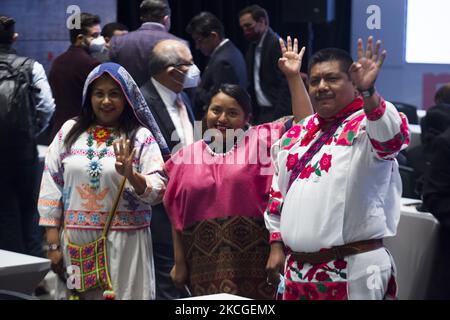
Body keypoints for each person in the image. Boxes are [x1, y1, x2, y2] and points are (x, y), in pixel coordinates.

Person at [164, 37, 312, 299]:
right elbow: (176, 213)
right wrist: (179, 261)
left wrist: (293, 77)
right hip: (201, 266)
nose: (222, 119)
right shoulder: (185, 156)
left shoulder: (264, 139)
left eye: (232, 113)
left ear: (247, 119)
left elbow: (305, 125)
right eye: (216, 110)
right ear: (205, 113)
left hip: (258, 263)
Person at [264, 37, 410, 300]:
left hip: (353, 269)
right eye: (315, 81)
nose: (321, 87)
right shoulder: (298, 133)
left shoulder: (367, 124)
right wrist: (276, 242)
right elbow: (278, 190)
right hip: (296, 270)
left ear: (354, 82)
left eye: (332, 79)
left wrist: (370, 93)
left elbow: (392, 140)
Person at [38, 63, 170, 300]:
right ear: (89, 96)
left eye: (114, 94)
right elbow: (51, 182)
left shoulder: (140, 137)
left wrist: (132, 175)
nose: (106, 101)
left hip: (125, 243)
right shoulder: (69, 132)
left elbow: (159, 190)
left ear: (127, 98)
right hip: (75, 243)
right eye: (99, 93)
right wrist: (52, 244)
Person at [140, 39, 195, 299]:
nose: (195, 69)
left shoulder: (182, 96)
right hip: (159, 207)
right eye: (189, 64)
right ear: (172, 71)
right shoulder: (142, 104)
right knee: (167, 279)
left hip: (188, 204)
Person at [0, 15, 55, 257]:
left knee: (5, 213)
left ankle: (11, 283)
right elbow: (47, 106)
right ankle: (37, 277)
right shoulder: (30, 65)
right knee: (31, 211)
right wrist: (32, 131)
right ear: (14, 36)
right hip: (24, 150)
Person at [48, 12, 101, 141]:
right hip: (81, 132)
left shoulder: (57, 62)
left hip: (58, 131)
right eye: (95, 35)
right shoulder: (92, 64)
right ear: (80, 38)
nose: (100, 39)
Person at [186, 12, 247, 120]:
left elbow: (219, 99)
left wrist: (195, 86)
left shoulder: (223, 61)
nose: (197, 47)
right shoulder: (230, 50)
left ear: (213, 36)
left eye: (199, 40)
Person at [109, 0, 184, 87]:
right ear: (166, 19)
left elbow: (112, 77)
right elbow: (185, 85)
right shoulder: (180, 44)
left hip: (127, 100)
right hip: (165, 100)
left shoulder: (117, 42)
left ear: (142, 18)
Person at [238, 5, 291, 124]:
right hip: (261, 112)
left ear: (262, 21)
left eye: (248, 26)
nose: (245, 31)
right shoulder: (253, 46)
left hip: (276, 112)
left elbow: (286, 83)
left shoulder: (276, 44)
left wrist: (279, 116)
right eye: (243, 27)